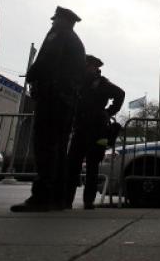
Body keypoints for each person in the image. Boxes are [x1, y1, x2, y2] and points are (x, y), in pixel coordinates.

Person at [11, 6, 85, 212]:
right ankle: (57, 197)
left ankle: (42, 196)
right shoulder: (76, 41)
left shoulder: (58, 35)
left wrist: (32, 76)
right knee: (59, 149)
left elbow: (45, 60)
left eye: (55, 20)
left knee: (45, 146)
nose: (52, 23)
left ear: (61, 20)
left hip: (53, 98)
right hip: (66, 101)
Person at [65, 55, 125, 209]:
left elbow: (120, 94)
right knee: (73, 165)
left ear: (94, 67)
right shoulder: (78, 82)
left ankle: (88, 201)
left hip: (98, 130)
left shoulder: (102, 83)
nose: (86, 68)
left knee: (93, 166)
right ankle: (66, 199)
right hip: (80, 128)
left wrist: (108, 112)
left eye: (89, 66)